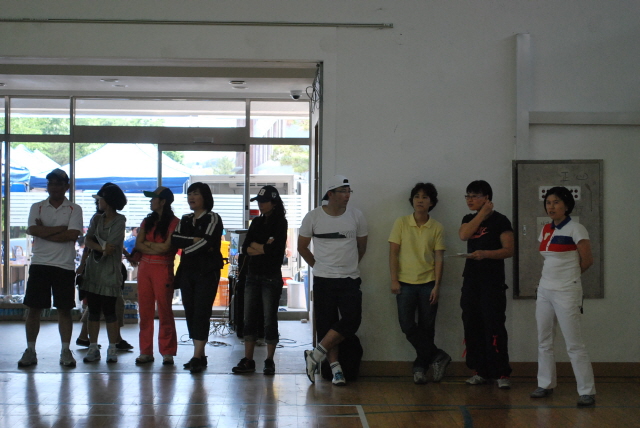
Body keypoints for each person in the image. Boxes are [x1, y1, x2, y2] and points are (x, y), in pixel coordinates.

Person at [529, 187, 596, 407]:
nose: (551, 206)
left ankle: (586, 391)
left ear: (566, 205)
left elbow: (587, 260)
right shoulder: (545, 229)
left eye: (556, 202)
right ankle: (545, 384)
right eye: (548, 202)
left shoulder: (577, 228)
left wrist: (569, 280)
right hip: (544, 291)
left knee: (574, 344)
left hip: (567, 291)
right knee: (544, 340)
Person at [299, 175, 368, 386]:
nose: (347, 195)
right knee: (326, 324)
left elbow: (362, 247)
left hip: (349, 278)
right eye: (342, 191)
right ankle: (336, 369)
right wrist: (318, 266)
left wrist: (348, 265)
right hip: (323, 279)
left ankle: (315, 355)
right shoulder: (313, 217)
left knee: (352, 320)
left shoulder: (357, 216)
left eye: (349, 191)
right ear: (330, 194)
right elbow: (302, 247)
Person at [19, 168, 83, 368]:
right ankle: (30, 350)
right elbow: (32, 229)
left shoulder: (74, 209)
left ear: (66, 186)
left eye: (58, 183)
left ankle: (65, 350)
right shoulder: (37, 207)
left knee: (64, 310)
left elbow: (72, 235)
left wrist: (44, 231)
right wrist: (60, 229)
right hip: (40, 263)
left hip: (64, 265)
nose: (53, 187)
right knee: (34, 309)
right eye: (50, 183)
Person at [388, 183, 451, 384]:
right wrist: (394, 279)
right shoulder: (401, 223)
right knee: (407, 325)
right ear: (412, 200)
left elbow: (439, 258)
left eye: (424, 197)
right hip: (404, 284)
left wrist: (437, 286)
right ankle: (438, 355)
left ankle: (420, 369)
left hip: (428, 284)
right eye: (417, 196)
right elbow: (393, 253)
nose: (420, 200)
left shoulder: (437, 227)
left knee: (427, 328)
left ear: (431, 202)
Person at [458, 180, 514, 389]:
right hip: (471, 281)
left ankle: (501, 373)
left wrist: (486, 254)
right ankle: (479, 370)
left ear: (487, 198)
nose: (470, 200)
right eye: (468, 195)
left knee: (494, 325)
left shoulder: (501, 221)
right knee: (472, 324)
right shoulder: (469, 219)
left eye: (475, 196)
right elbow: (464, 235)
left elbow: (509, 250)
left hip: (492, 282)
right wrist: (481, 214)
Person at [232, 185, 288, 375]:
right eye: (259, 202)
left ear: (274, 203)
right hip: (252, 275)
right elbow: (245, 248)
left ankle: (269, 360)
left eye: (264, 202)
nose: (261, 205)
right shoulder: (256, 222)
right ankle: (248, 359)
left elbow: (276, 251)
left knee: (269, 319)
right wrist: (264, 246)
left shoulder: (281, 223)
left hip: (271, 277)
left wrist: (259, 247)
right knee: (248, 318)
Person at [172, 182, 224, 373]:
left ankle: (196, 356)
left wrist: (188, 247)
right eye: (189, 194)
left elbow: (208, 242)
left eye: (195, 194)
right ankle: (200, 355)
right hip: (187, 271)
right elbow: (174, 239)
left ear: (205, 197)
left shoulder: (213, 217)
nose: (191, 197)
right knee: (190, 311)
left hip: (207, 272)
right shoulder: (185, 219)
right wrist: (195, 241)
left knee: (202, 311)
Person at [76, 183, 133, 351]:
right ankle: (102, 342)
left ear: (108, 200)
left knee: (109, 309)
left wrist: (97, 245)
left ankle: (111, 344)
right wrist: (101, 247)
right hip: (95, 270)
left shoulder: (118, 220)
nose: (98, 201)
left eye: (100, 198)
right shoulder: (97, 219)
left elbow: (111, 244)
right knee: (97, 308)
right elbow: (89, 242)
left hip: (109, 271)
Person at [134, 186, 180, 366]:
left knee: (164, 310)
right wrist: (156, 248)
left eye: (154, 198)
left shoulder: (175, 222)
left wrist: (148, 245)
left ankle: (167, 352)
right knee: (144, 310)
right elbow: (138, 245)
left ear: (163, 201)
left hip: (163, 268)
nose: (151, 201)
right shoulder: (147, 221)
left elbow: (167, 247)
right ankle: (145, 351)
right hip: (145, 268)